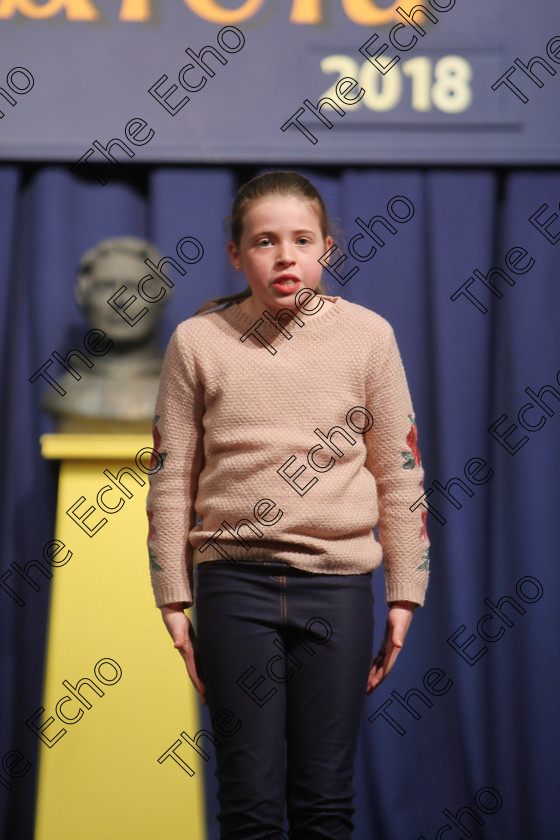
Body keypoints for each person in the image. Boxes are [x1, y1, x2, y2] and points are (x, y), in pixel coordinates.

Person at [146, 171, 430, 840]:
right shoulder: (196, 342)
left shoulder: (369, 337)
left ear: (326, 248)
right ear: (235, 254)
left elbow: (400, 470)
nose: (285, 256)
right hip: (232, 586)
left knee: (324, 803)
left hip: (336, 588)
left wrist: (404, 592)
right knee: (246, 805)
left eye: (301, 240)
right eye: (265, 241)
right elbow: (169, 473)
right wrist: (170, 594)